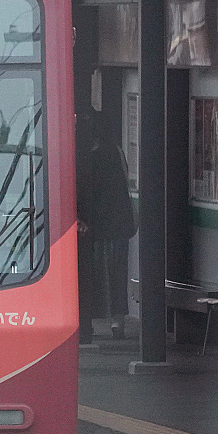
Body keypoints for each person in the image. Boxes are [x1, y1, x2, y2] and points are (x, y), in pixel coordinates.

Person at [76, 111, 136, 341]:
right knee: (116, 274)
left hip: (97, 227)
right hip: (116, 225)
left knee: (94, 275)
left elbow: (87, 192)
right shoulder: (116, 153)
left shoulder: (90, 156)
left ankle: (89, 324)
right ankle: (116, 322)